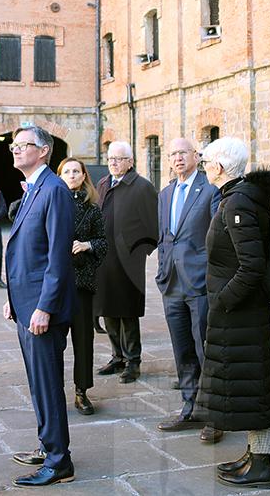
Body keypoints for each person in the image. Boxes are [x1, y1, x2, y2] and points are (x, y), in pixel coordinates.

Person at [196, 137, 270, 489]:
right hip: (239, 312)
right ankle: (254, 455)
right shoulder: (238, 198)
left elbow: (251, 266)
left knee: (253, 387)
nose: (204, 167)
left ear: (219, 167)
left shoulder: (238, 203)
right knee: (249, 387)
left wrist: (222, 300)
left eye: (207, 162)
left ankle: (261, 465)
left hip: (240, 313)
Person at [3, 125, 77, 488]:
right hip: (26, 302)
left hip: (41, 308)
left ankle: (59, 461)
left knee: (47, 384)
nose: (16, 150)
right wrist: (12, 297)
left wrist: (45, 307)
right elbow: (27, 250)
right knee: (38, 382)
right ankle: (49, 445)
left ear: (44, 150)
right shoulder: (34, 187)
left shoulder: (55, 190)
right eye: (14, 146)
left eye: (24, 145)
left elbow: (58, 257)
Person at [155, 138, 223, 443]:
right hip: (171, 283)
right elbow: (164, 237)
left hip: (199, 283)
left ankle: (215, 415)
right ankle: (190, 407)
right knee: (182, 350)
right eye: (172, 154)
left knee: (205, 350)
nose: (177, 158)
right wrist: (162, 270)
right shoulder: (165, 193)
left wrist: (210, 274)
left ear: (196, 156)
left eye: (183, 152)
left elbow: (218, 237)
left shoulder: (210, 189)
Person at [93, 140, 158, 383]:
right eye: (110, 158)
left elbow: (153, 225)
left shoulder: (142, 187)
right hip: (103, 259)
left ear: (130, 162)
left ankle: (133, 361)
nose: (113, 162)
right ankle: (117, 356)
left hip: (128, 261)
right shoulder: (103, 183)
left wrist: (138, 251)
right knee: (107, 309)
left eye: (118, 159)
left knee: (127, 311)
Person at [56, 157, 107, 416]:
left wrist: (88, 245)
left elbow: (103, 242)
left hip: (82, 281)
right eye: (67, 171)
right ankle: (53, 391)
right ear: (60, 176)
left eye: (76, 171)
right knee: (54, 342)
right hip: (56, 282)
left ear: (84, 175)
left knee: (84, 340)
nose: (72, 175)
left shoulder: (92, 208)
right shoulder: (52, 203)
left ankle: (81, 391)